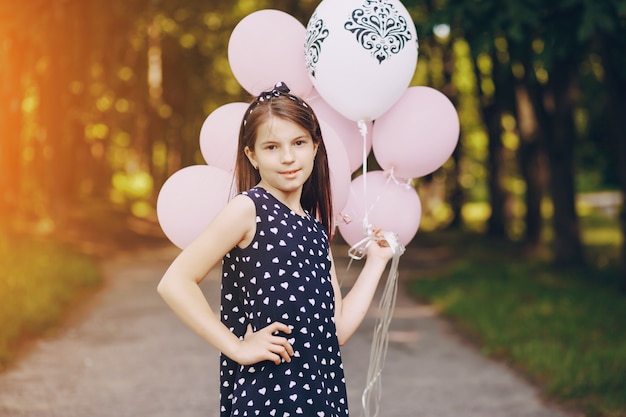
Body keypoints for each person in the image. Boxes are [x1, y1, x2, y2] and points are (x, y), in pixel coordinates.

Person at [157, 82, 393, 417]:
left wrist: (376, 263)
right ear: (251, 155)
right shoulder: (247, 210)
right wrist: (236, 347)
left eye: (298, 142)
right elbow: (175, 282)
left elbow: (335, 329)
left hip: (320, 398)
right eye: (271, 146)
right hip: (269, 398)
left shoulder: (314, 229)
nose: (287, 157)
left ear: (315, 146)